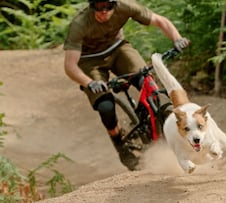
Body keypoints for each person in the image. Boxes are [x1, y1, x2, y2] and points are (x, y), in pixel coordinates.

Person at [63, 0, 190, 171]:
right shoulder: (80, 24)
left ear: (115, 4)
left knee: (145, 79)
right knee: (105, 106)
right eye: (98, 7)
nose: (104, 11)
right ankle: (119, 142)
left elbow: (160, 21)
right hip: (89, 61)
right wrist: (89, 82)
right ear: (91, 6)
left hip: (118, 49)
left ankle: (168, 122)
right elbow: (70, 66)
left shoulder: (125, 6)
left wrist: (177, 38)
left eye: (108, 6)